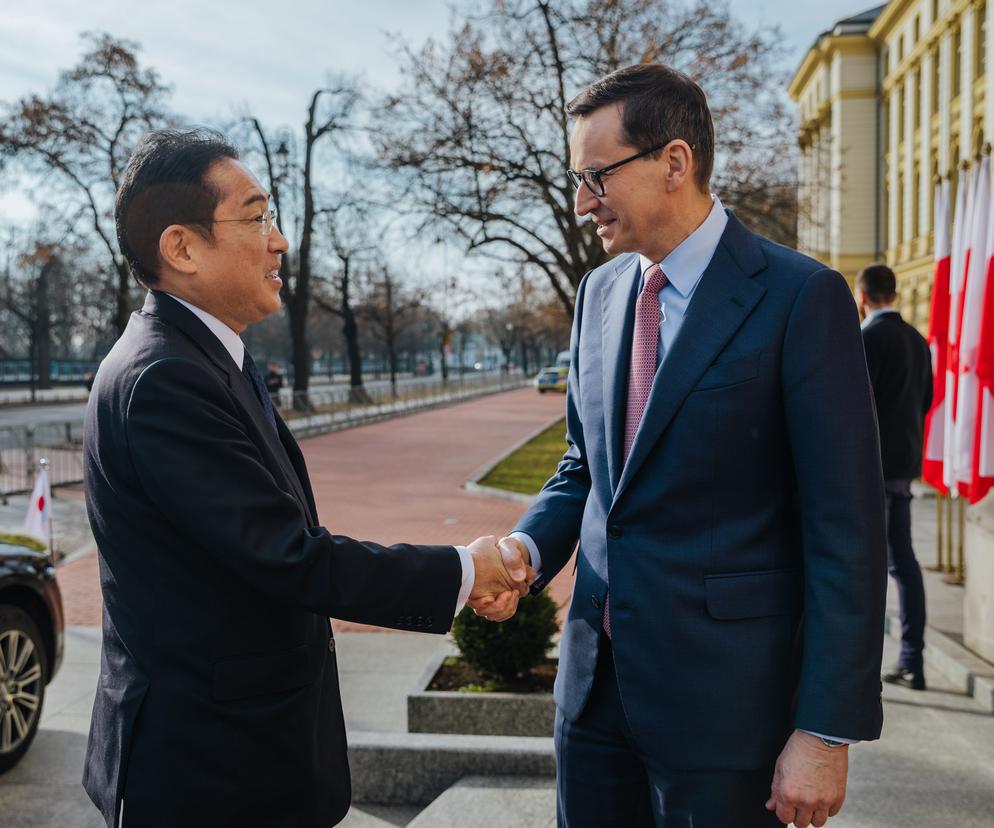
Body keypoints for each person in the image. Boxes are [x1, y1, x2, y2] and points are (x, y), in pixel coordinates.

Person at [82, 129, 529, 828]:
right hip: (208, 775)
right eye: (256, 217)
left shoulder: (199, 358)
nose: (279, 240)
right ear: (182, 247)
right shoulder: (166, 378)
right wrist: (463, 572)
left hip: (236, 754)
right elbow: (287, 556)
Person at [484, 64, 888, 828]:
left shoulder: (800, 297)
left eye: (596, 175)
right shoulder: (598, 295)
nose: (580, 202)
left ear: (675, 162)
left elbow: (846, 530)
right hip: (592, 700)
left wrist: (826, 729)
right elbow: (586, 469)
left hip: (728, 716)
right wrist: (526, 550)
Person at [856, 263, 933, 691]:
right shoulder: (918, 341)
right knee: (904, 565)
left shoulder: (866, 339)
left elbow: (853, 405)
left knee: (863, 571)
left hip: (870, 470)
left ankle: (862, 674)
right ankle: (912, 658)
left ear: (862, 296)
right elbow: (927, 400)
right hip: (905, 467)